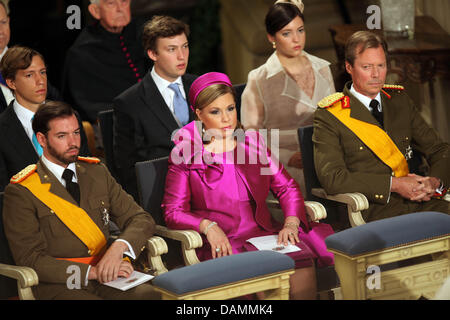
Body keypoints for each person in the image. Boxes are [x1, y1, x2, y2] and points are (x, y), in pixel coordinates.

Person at [162, 72, 334, 300]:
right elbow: (173, 211)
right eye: (216, 112)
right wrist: (207, 226)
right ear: (199, 114)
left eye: (230, 109)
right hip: (223, 241)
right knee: (262, 278)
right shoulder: (186, 153)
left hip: (265, 233)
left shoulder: (252, 143)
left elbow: (287, 188)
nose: (226, 119)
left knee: (302, 265)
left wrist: (291, 222)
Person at [2, 100, 160, 300]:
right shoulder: (22, 191)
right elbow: (31, 258)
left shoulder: (97, 172)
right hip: (61, 283)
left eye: (76, 132)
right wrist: (91, 273)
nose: (73, 142)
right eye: (62, 136)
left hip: (110, 273)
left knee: (149, 295)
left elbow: (140, 218)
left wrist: (119, 249)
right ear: (41, 139)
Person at [313, 31, 449, 222]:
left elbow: (440, 150)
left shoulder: (399, 101)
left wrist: (434, 183)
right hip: (373, 211)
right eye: (367, 67)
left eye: (381, 66)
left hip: (420, 201)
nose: (376, 75)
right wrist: (394, 184)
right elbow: (333, 178)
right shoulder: (330, 114)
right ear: (349, 67)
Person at [240, 0, 335, 194]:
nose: (296, 39)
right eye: (286, 33)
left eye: (300, 30)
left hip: (326, 156)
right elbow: (250, 139)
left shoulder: (322, 68)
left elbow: (336, 119)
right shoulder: (259, 78)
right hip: (283, 165)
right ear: (271, 37)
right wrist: (286, 157)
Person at [113, 15, 197, 201]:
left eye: (184, 46)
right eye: (172, 49)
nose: (181, 56)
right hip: (163, 196)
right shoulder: (129, 103)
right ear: (153, 54)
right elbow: (128, 169)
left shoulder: (200, 87)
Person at [0, 46, 90, 191]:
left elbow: (87, 172)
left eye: (42, 72)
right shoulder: (3, 130)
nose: (40, 81)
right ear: (11, 82)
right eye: (29, 75)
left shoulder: (69, 116)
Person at [62, 0, 149, 124]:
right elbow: (87, 105)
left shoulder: (143, 33)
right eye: (111, 3)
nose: (120, 9)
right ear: (95, 11)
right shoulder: (82, 52)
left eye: (124, 2)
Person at [0, 1, 61, 113]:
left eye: (3, 22)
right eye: (29, 75)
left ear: (9, 21)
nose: (0, 31)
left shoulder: (27, 58)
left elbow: (57, 104)